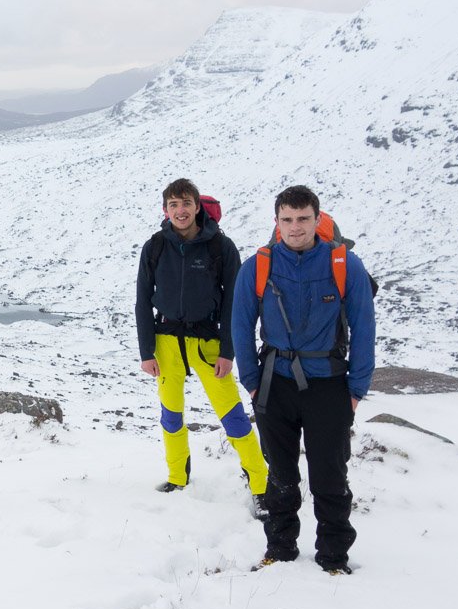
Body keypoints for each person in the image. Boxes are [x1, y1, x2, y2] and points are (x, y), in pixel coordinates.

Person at [232, 185, 375, 574]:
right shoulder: (257, 266)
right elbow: (241, 326)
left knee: (330, 475)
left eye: (303, 219)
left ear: (317, 219)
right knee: (279, 474)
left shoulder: (345, 264)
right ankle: (280, 550)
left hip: (328, 383)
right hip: (274, 384)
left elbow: (365, 328)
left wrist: (356, 389)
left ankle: (333, 557)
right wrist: (252, 381)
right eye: (287, 219)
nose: (295, 228)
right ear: (276, 222)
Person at [135, 178, 269, 506]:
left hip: (207, 343)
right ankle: (178, 477)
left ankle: (261, 485)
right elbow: (142, 301)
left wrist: (228, 351)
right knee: (171, 415)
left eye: (186, 204)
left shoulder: (220, 248)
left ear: (197, 207)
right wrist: (146, 351)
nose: (180, 211)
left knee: (233, 416)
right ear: (165, 210)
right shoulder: (154, 246)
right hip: (166, 342)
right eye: (173, 205)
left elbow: (233, 305)